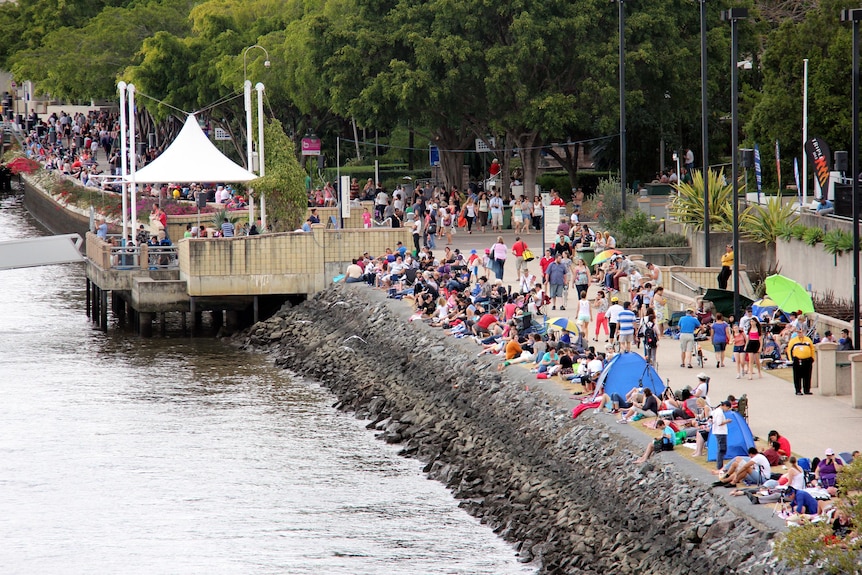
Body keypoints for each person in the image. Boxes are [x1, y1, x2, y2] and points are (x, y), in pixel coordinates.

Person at [787, 326, 815, 395]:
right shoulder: (793, 341)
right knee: (797, 376)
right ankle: (798, 390)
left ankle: (807, 390)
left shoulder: (808, 340)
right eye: (798, 332)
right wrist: (791, 359)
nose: (800, 334)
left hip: (807, 360)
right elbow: (789, 350)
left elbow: (812, 349)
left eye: (801, 332)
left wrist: (812, 358)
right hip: (797, 360)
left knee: (807, 375)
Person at [710, 400, 732, 470]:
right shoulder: (719, 412)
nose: (727, 410)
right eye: (727, 408)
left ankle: (720, 464)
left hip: (717, 432)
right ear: (725, 406)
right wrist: (727, 421)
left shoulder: (716, 411)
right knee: (722, 450)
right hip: (721, 432)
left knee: (720, 449)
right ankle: (720, 466)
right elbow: (719, 423)